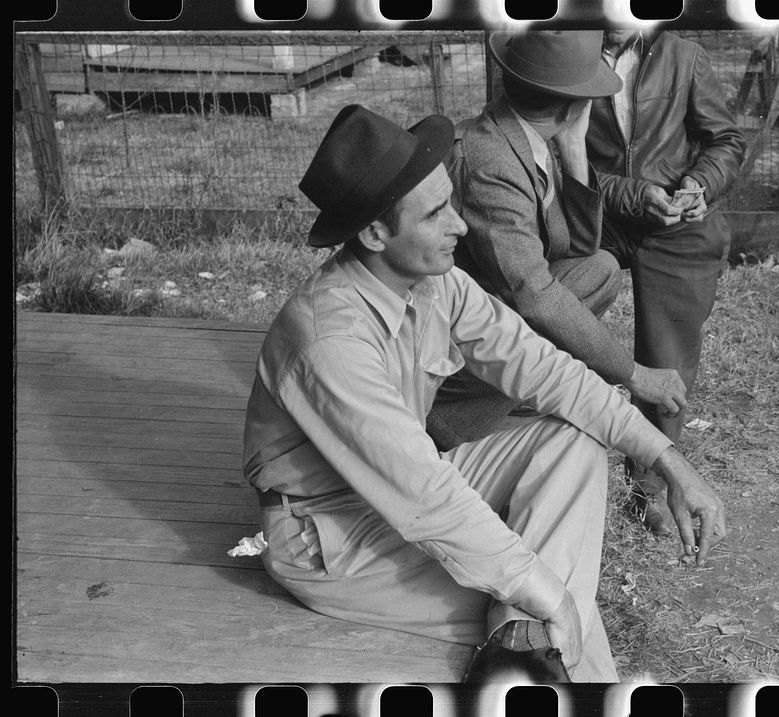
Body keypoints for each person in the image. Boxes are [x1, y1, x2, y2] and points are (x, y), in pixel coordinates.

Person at [242, 104, 727, 683]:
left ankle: (524, 647)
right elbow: (425, 496)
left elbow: (547, 370)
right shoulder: (329, 340)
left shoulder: (433, 278)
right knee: (548, 614)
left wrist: (667, 459)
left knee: (571, 441)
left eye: (452, 201)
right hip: (331, 538)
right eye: (436, 213)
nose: (461, 226)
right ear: (374, 232)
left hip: (403, 493)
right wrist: (547, 591)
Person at [426, 30, 689, 455]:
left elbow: (582, 247)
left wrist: (573, 145)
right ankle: (448, 422)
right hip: (451, 337)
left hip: (489, 303)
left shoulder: (528, 136)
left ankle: (521, 383)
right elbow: (532, 292)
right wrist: (634, 373)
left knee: (600, 270)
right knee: (557, 300)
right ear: (572, 104)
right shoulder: (491, 160)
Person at [586, 29, 747, 534]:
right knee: (548, 311)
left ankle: (648, 488)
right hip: (598, 211)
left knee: (667, 355)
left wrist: (699, 184)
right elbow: (552, 154)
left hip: (673, 218)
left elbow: (725, 139)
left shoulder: (683, 55)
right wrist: (630, 194)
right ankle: (535, 446)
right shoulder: (567, 48)